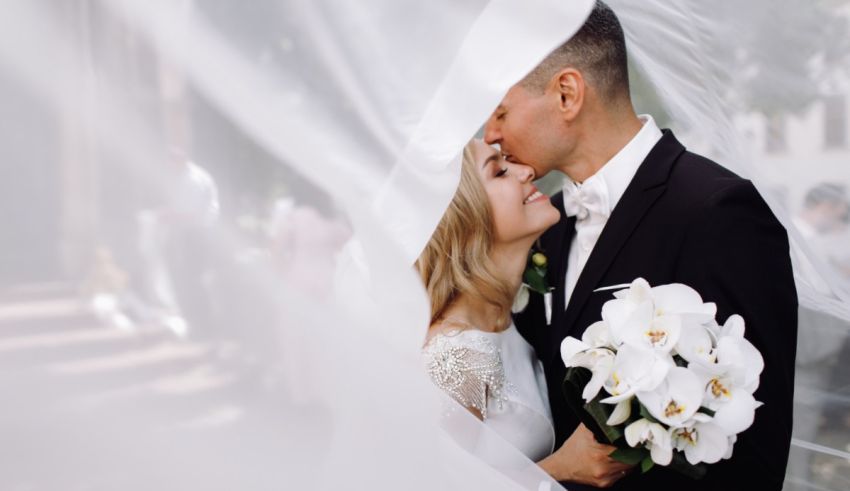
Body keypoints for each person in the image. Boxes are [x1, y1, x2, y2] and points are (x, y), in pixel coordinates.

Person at [485, 2, 797, 490]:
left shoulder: (716, 211)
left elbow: (757, 446)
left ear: (567, 94)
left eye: (500, 112)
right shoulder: (547, 228)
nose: (491, 135)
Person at [418, 139, 632, 485]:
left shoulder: (505, 324)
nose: (526, 170)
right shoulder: (456, 357)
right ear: (467, 219)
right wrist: (560, 468)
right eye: (500, 171)